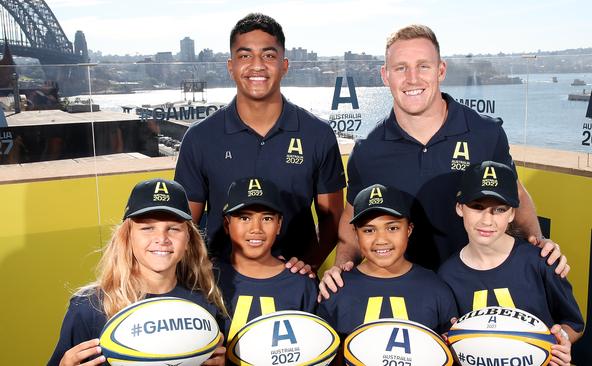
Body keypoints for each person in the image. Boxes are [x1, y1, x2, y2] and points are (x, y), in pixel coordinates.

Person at [320, 24, 567, 298]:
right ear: (385, 75)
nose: (412, 79)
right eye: (401, 68)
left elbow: (515, 195)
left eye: (423, 66)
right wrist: (342, 266)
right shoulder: (368, 151)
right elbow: (352, 216)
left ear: (440, 70)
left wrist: (539, 243)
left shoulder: (485, 133)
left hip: (476, 290)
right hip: (406, 295)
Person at [175, 13, 345, 273]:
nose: (257, 66)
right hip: (223, 288)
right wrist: (203, 274)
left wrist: (308, 265)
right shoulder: (200, 138)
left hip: (295, 289)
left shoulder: (318, 134)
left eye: (268, 55)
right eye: (245, 56)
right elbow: (185, 226)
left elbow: (332, 221)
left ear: (284, 65)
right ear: (230, 66)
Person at [48, 178, 229, 366]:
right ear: (128, 237)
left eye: (173, 228)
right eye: (147, 228)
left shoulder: (204, 305)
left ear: (188, 240)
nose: (162, 238)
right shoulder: (90, 308)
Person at [437, 161, 584, 366]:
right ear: (460, 208)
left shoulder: (540, 260)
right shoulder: (447, 275)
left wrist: (562, 341)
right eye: (477, 207)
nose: (487, 221)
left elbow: (574, 324)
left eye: (499, 209)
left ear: (512, 213)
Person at [317, 184, 457, 356]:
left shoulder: (435, 287)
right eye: (369, 230)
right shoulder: (336, 288)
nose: (381, 240)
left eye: (392, 228)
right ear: (355, 233)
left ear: (409, 229)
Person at [216, 177, 318, 344]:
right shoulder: (208, 279)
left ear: (279, 224)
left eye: (267, 218)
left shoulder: (301, 284)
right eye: (244, 218)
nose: (256, 229)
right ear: (227, 225)